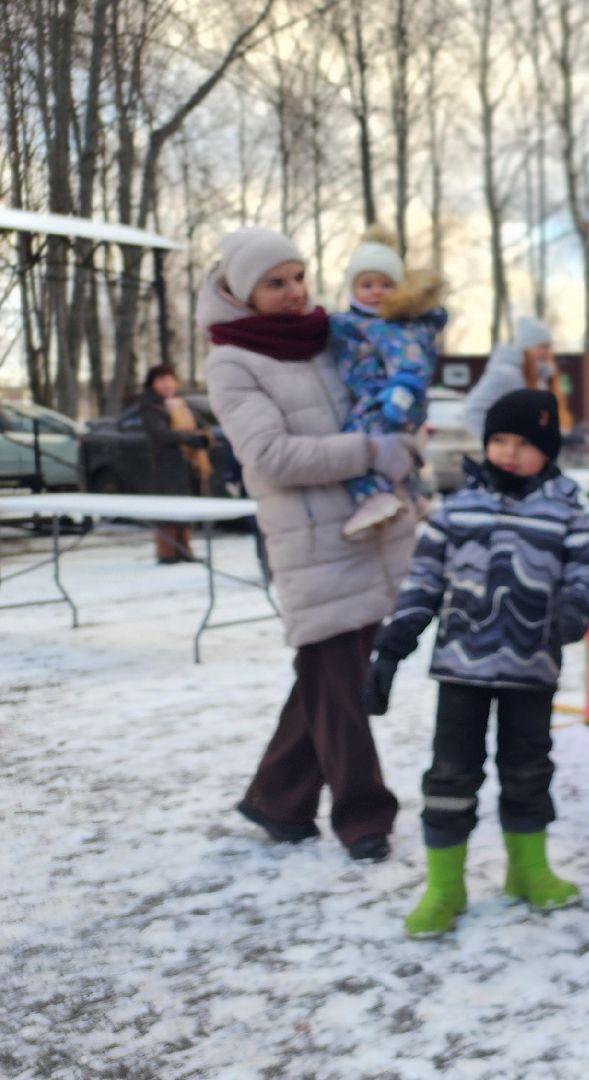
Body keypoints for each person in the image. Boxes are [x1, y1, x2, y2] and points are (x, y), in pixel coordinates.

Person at [203, 226, 420, 863]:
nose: (295, 292)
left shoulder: (328, 338)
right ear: (244, 292)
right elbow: (269, 455)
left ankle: (277, 799)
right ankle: (364, 817)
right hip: (309, 544)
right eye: (276, 283)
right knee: (340, 682)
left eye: (298, 276)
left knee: (326, 681)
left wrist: (401, 433)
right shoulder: (233, 360)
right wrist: (368, 451)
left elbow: (376, 399)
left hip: (366, 530)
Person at [361, 389, 589, 939]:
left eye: (524, 444)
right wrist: (394, 645)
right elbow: (425, 580)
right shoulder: (457, 509)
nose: (509, 453)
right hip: (462, 670)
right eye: (500, 440)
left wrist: (571, 614)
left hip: (531, 669)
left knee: (528, 770)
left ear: (547, 451)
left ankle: (528, 869)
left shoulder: (565, 511)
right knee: (451, 775)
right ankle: (445, 886)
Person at [330, 224, 449, 538]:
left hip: (385, 399)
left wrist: (401, 391)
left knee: (357, 444)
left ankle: (373, 497)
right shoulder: (351, 323)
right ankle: (411, 496)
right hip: (375, 396)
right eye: (366, 284)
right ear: (352, 288)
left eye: (385, 284)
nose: (376, 291)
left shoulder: (393, 327)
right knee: (395, 451)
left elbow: (409, 361)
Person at [137, 363, 212, 563]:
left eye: (170, 380)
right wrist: (190, 438)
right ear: (152, 384)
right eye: (161, 380)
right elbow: (160, 434)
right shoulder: (150, 406)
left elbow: (202, 426)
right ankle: (167, 552)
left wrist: (204, 438)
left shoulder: (181, 404)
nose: (167, 385)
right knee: (167, 508)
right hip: (165, 465)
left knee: (185, 506)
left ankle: (184, 549)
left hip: (187, 463)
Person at [463, 316, 572, 441]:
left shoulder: (540, 378)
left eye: (549, 347)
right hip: (509, 457)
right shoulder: (506, 375)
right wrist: (498, 441)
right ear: (527, 347)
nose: (548, 353)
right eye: (542, 346)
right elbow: (472, 412)